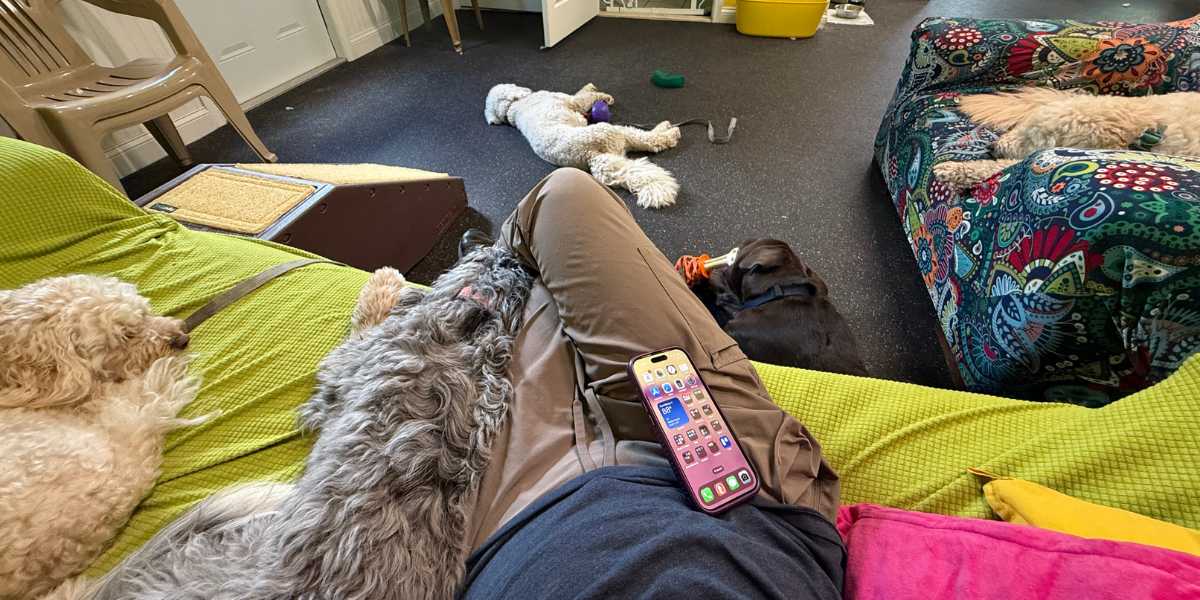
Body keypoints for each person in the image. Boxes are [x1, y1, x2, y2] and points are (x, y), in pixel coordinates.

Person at [459, 168, 844, 598]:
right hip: (752, 495)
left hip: (522, 522)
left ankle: (495, 269)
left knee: (501, 306)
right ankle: (504, 269)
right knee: (566, 196)